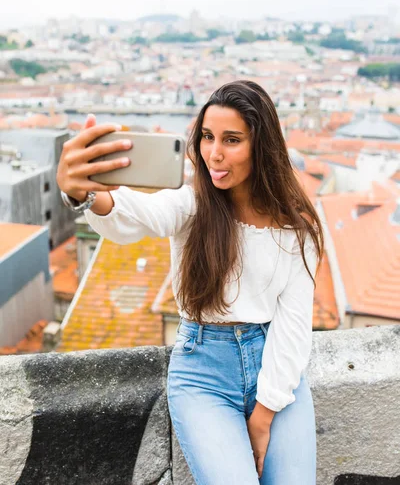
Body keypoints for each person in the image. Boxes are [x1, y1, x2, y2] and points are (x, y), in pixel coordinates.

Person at [57, 80, 324, 484]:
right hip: (203, 372)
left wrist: (264, 413)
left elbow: (293, 324)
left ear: (262, 146)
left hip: (275, 365)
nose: (214, 153)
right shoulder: (193, 202)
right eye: (207, 137)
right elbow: (136, 214)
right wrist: (85, 195)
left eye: (232, 140)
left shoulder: (295, 227)